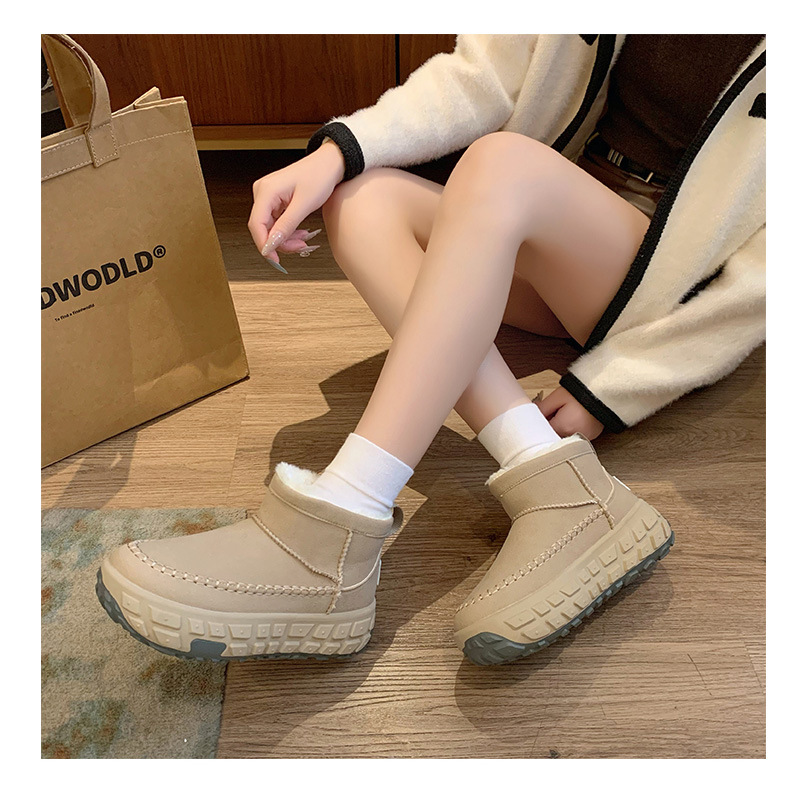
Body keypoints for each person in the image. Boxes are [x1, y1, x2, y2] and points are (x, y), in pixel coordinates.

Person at [96, 34, 766, 665]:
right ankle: (556, 480)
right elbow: (484, 74)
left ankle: (343, 519)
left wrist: (617, 382)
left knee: (503, 163)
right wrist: (334, 155)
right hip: (554, 220)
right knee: (361, 196)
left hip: (667, 276)